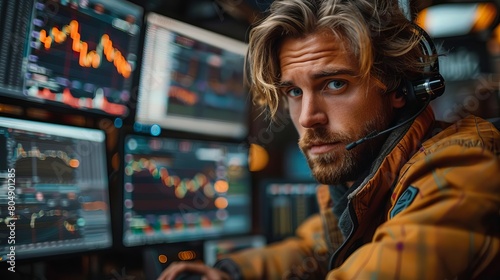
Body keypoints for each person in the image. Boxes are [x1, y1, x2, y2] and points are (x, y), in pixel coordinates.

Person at [158, 0, 500, 279]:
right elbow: (315, 248)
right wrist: (230, 271)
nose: (308, 117)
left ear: (397, 87)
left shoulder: (459, 164)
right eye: (293, 91)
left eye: (334, 84)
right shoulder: (362, 175)